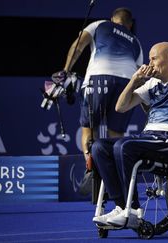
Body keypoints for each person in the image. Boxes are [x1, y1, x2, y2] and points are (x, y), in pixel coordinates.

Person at [91, 0, 168, 228]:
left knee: (124, 146)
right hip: (151, 139)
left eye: (153, 58)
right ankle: (123, 206)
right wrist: (134, 80)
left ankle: (131, 209)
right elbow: (121, 107)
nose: (149, 63)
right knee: (99, 147)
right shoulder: (150, 85)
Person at [61, 7, 143, 176]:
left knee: (90, 129)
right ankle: (113, 176)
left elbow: (78, 46)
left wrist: (65, 71)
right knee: (116, 134)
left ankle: (92, 172)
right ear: (129, 25)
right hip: (126, 82)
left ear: (112, 18)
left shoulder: (100, 24)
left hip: (98, 78)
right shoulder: (136, 42)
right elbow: (139, 74)